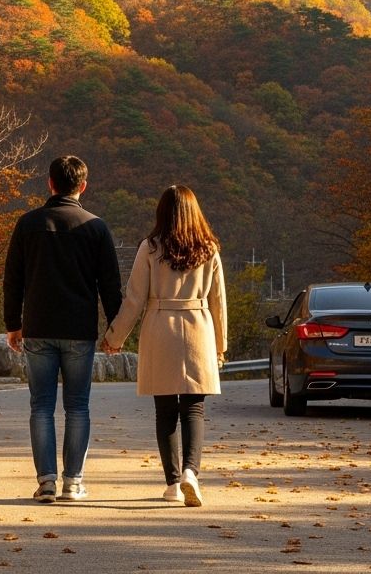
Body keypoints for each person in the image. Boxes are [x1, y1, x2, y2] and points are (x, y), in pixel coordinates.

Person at [3, 155, 122, 504]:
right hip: (79, 329)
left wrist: (13, 325)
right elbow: (110, 286)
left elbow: (13, 280)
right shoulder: (96, 227)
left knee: (41, 406)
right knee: (77, 407)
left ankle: (46, 483)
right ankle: (73, 482)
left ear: (50, 183)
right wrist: (115, 331)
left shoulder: (28, 224)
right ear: (83, 186)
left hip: (38, 327)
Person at [101, 184, 226, 507]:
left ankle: (172, 484)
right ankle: (191, 473)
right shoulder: (209, 248)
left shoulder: (151, 247)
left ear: (162, 212)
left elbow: (134, 299)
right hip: (199, 328)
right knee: (194, 408)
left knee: (166, 409)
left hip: (160, 328)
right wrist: (220, 346)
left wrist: (114, 337)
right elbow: (218, 301)